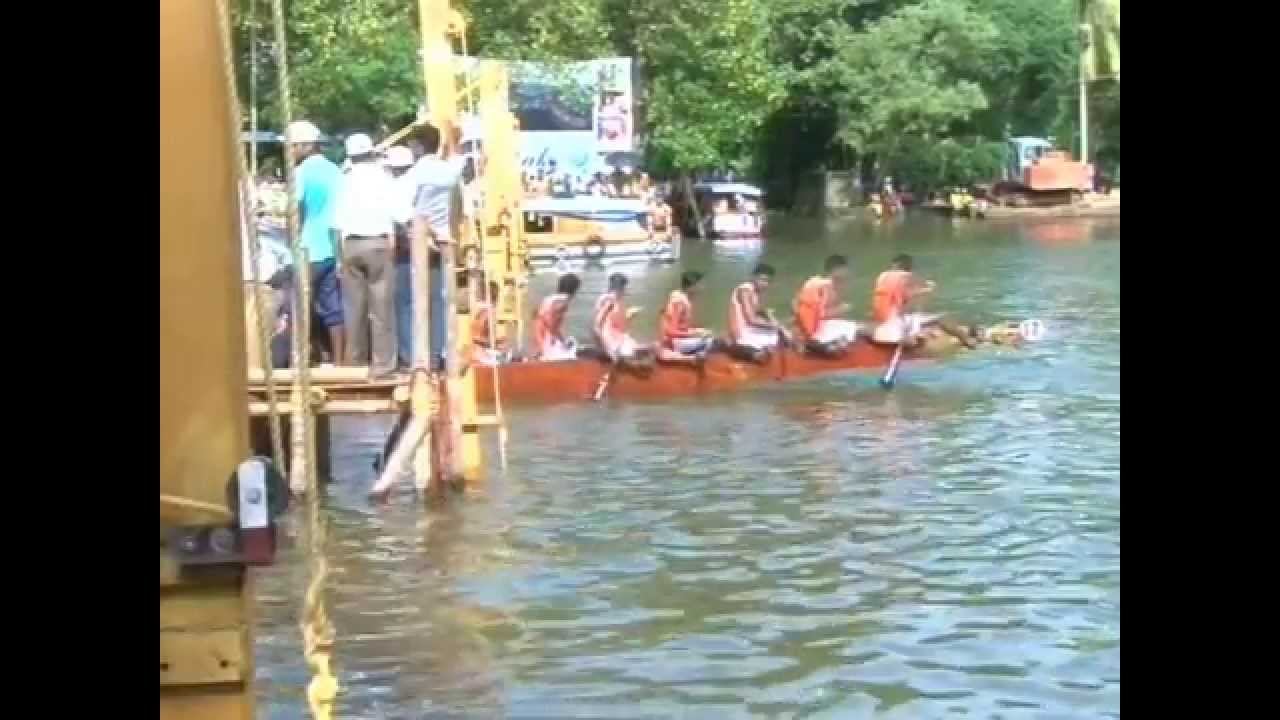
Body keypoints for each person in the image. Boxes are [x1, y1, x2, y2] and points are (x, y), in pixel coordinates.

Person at [334, 132, 400, 378]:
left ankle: (355, 364)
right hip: (378, 243)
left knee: (354, 308)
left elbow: (338, 222)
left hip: (351, 245)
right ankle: (383, 364)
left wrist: (340, 255)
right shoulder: (383, 177)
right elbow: (398, 211)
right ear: (371, 152)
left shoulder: (344, 179)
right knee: (382, 308)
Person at [407, 122, 467, 371]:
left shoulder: (415, 174)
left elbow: (401, 209)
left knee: (416, 302)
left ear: (417, 146)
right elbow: (461, 158)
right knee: (444, 301)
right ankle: (444, 354)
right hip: (445, 241)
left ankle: (422, 359)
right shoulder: (450, 172)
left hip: (419, 242)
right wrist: (454, 138)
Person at [286, 120, 345, 364]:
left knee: (299, 305)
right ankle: (340, 360)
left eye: (293, 147)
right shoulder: (336, 170)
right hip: (333, 248)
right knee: (333, 307)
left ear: (305, 146)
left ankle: (302, 360)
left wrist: (291, 237)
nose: (290, 152)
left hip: (309, 248)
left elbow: (295, 210)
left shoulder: (301, 173)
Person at [871, 254, 976, 348]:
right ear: (908, 266)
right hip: (894, 323)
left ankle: (924, 335)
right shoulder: (905, 275)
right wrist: (929, 289)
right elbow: (910, 293)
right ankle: (968, 341)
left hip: (880, 321)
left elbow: (900, 294)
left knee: (917, 318)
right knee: (942, 317)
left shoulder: (882, 276)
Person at [793, 254, 869, 356]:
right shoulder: (822, 285)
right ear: (835, 269)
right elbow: (807, 309)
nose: (846, 272)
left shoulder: (834, 285)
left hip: (819, 325)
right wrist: (840, 310)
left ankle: (820, 344)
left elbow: (798, 304)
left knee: (856, 328)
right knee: (857, 331)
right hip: (814, 328)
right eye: (843, 269)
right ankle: (815, 345)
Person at [384, 145, 417, 369]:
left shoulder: (394, 188)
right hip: (424, 250)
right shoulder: (418, 182)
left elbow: (397, 219)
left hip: (403, 251)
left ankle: (407, 355)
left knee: (402, 305)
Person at [592, 273, 655, 368]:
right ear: (620, 287)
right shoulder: (609, 300)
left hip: (615, 338)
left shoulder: (612, 299)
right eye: (625, 288)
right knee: (650, 349)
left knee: (648, 348)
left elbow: (617, 325)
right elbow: (597, 326)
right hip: (610, 343)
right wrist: (608, 350)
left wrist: (629, 315)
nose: (626, 291)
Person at [727, 263, 785, 363]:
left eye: (767, 281)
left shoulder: (755, 292)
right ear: (753, 277)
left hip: (747, 330)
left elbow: (759, 312)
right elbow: (751, 320)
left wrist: (770, 316)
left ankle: (758, 351)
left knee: (778, 334)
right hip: (740, 333)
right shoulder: (745, 290)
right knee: (779, 335)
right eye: (762, 280)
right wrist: (776, 326)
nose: (765, 284)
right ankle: (747, 350)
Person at [658, 271, 715, 365]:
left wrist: (697, 331)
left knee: (705, 332)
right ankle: (693, 358)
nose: (702, 288)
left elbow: (680, 325)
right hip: (676, 343)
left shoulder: (678, 295)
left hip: (674, 340)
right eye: (700, 285)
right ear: (692, 287)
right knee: (710, 340)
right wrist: (695, 334)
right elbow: (671, 331)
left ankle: (693, 354)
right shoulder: (680, 302)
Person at [532, 273, 581, 361]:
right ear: (573, 288)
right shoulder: (563, 301)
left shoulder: (549, 298)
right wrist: (562, 340)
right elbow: (552, 325)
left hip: (540, 334)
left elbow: (538, 317)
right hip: (548, 338)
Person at [469, 279, 508, 366]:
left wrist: (497, 342)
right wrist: (495, 343)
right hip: (480, 352)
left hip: (480, 350)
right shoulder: (488, 311)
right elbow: (477, 336)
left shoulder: (485, 310)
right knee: (501, 362)